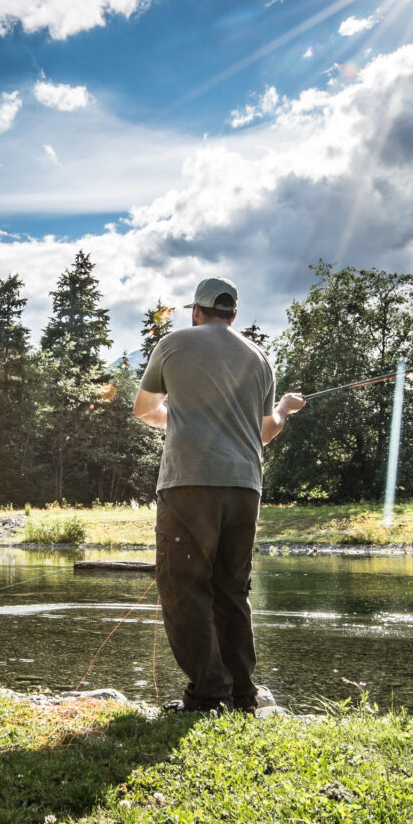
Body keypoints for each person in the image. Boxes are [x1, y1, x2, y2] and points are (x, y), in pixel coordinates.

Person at [134, 277, 305, 713]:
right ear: (233, 313)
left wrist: (173, 415)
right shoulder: (259, 357)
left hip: (189, 484)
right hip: (245, 487)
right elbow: (265, 431)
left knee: (184, 589)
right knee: (232, 591)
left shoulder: (174, 344)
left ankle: (209, 694)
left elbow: (143, 409)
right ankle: (243, 695)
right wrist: (284, 408)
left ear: (197, 310)